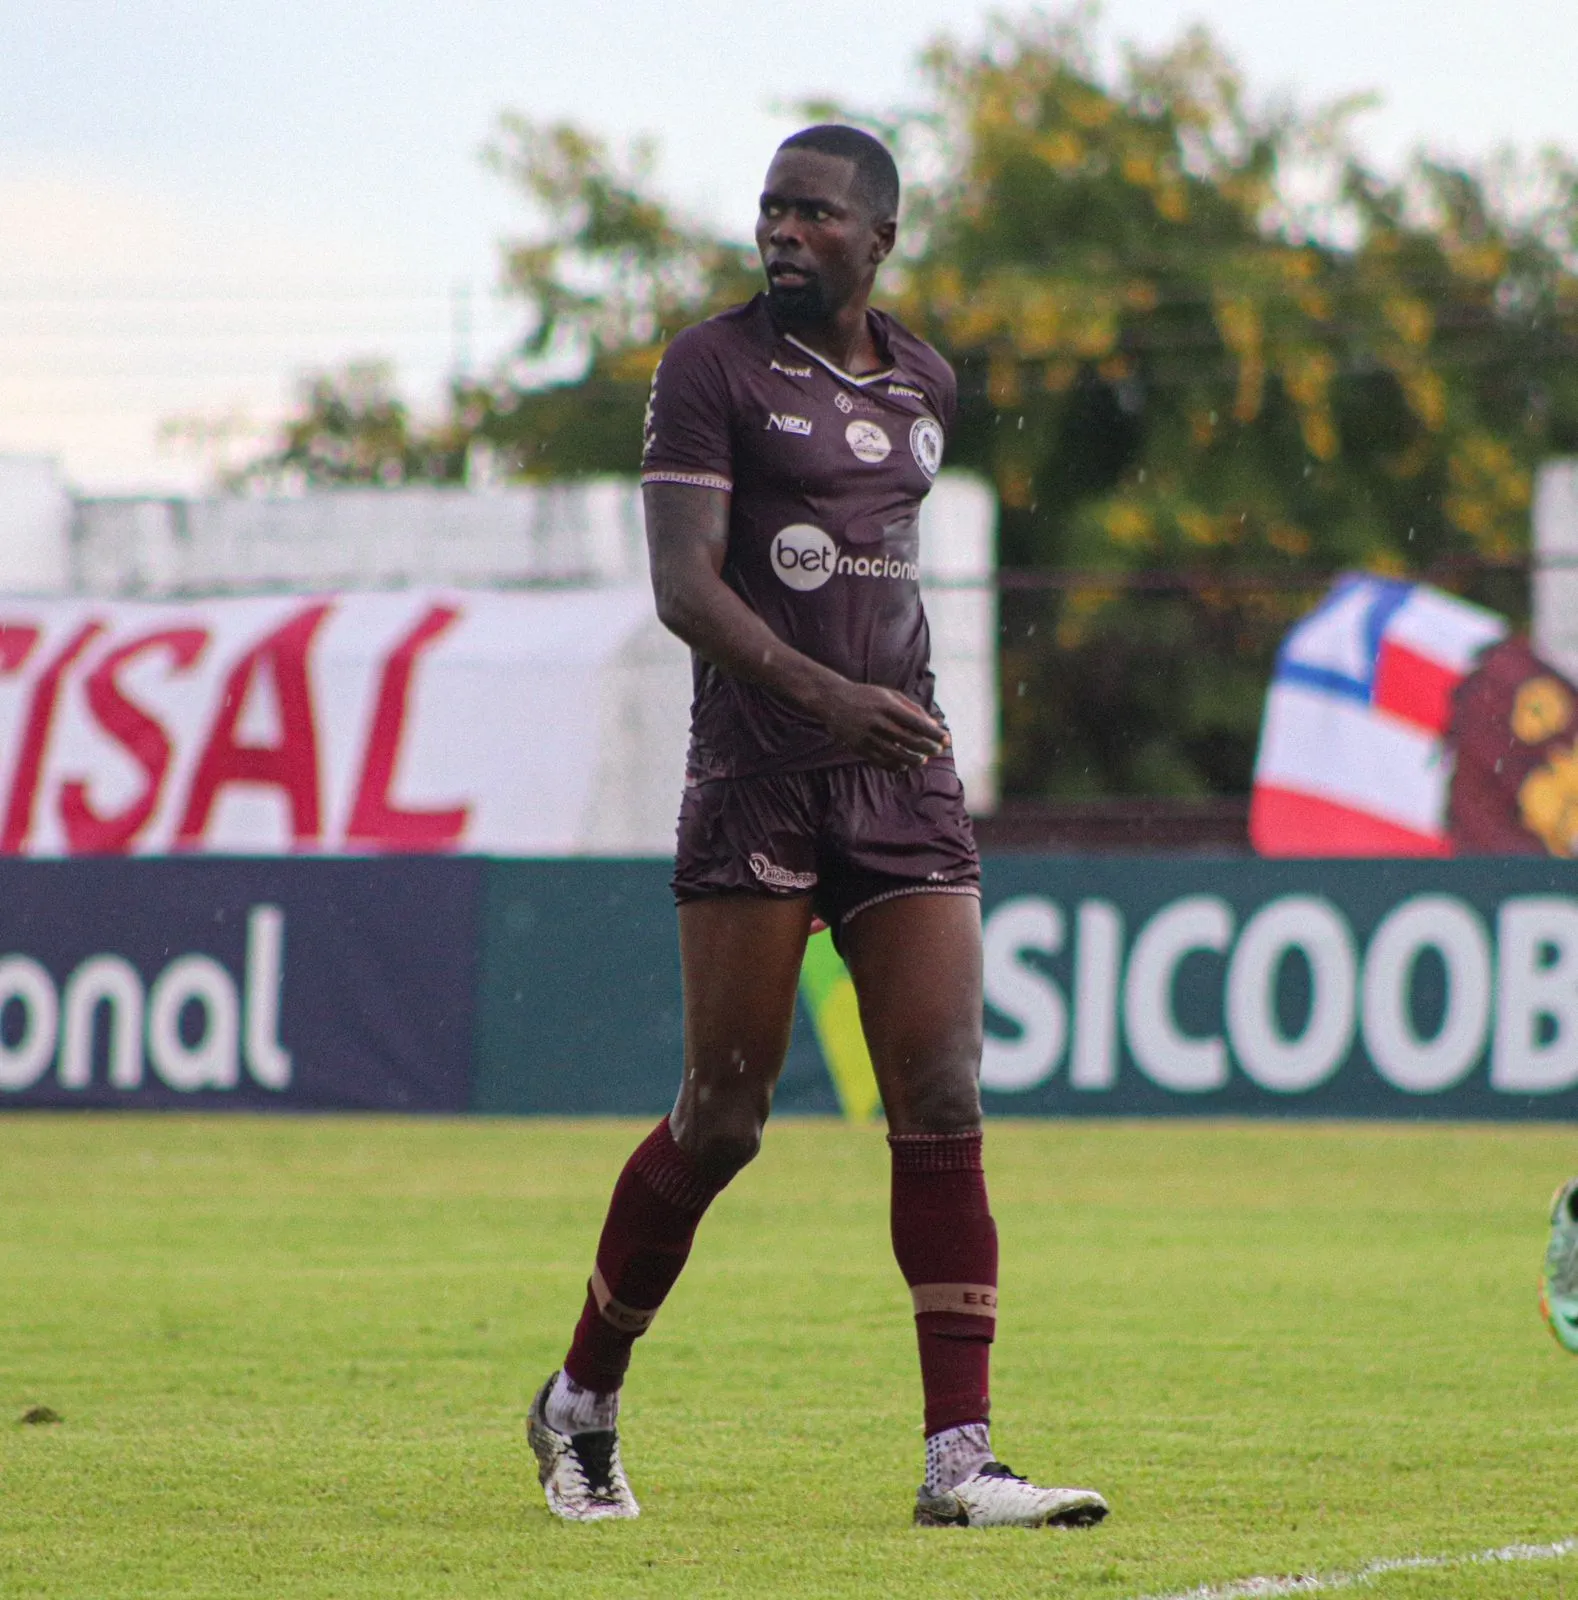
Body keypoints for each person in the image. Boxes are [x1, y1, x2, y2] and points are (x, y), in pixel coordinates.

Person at [527, 123, 1110, 1531]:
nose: (784, 233)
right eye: (770, 211)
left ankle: (957, 1461)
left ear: (879, 239)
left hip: (897, 772)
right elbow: (685, 588)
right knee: (724, 1116)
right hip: (757, 774)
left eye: (814, 215)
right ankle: (579, 1402)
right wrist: (823, 698)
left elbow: (876, 578)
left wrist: (873, 712)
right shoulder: (707, 368)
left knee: (944, 1092)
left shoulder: (926, 382)